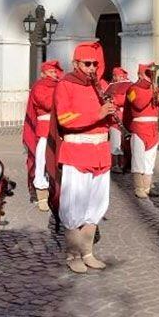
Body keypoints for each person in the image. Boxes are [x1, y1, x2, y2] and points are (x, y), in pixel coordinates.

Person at [46, 42, 112, 273]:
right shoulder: (65, 85)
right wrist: (98, 113)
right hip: (77, 153)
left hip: (101, 153)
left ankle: (88, 252)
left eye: (95, 63)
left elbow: (107, 119)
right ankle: (73, 254)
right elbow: (65, 118)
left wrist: (113, 113)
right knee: (74, 207)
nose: (92, 68)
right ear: (75, 63)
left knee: (96, 206)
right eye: (87, 63)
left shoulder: (101, 85)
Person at [22, 60, 62, 212]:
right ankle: (42, 197)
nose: (54, 74)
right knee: (42, 162)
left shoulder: (60, 85)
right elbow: (46, 103)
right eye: (51, 72)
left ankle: (56, 193)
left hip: (58, 129)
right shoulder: (39, 87)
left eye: (55, 72)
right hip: (45, 129)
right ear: (43, 73)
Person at [124, 62, 159, 199]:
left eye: (152, 73)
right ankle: (139, 188)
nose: (151, 76)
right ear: (139, 75)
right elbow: (138, 104)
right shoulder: (132, 89)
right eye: (148, 73)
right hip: (139, 128)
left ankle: (147, 187)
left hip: (153, 129)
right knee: (138, 159)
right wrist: (151, 93)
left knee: (150, 160)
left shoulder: (154, 88)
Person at [107, 67, 131, 173]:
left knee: (124, 144)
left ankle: (124, 164)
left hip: (125, 119)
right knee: (115, 143)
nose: (120, 78)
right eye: (118, 76)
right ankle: (115, 164)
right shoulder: (110, 88)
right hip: (115, 120)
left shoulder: (128, 87)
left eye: (122, 76)